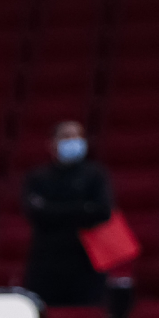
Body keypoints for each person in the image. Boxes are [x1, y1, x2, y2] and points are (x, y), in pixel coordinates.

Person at [21, 121, 113, 308]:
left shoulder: (95, 175)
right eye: (66, 136)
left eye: (77, 136)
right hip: (47, 264)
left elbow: (103, 212)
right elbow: (35, 213)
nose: (73, 141)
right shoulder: (38, 177)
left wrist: (53, 210)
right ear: (52, 143)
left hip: (87, 263)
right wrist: (81, 209)